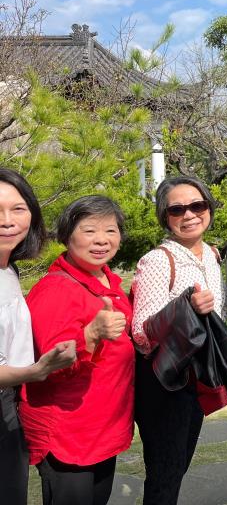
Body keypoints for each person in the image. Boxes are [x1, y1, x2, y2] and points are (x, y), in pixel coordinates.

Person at [20, 195, 134, 505]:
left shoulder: (108, 280)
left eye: (110, 231)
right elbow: (51, 365)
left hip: (102, 430)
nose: (101, 240)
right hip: (69, 437)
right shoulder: (56, 289)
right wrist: (91, 334)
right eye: (89, 230)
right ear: (67, 236)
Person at [131, 176, 225, 505]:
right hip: (165, 384)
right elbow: (141, 334)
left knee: (178, 466)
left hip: (196, 377)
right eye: (177, 209)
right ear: (165, 217)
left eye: (197, 206)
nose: (190, 215)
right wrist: (185, 308)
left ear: (209, 208)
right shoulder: (158, 261)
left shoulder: (210, 256)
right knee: (164, 473)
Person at [0, 168, 77, 505]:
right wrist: (34, 371)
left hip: (10, 404)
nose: (7, 220)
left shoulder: (8, 269)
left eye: (18, 209)